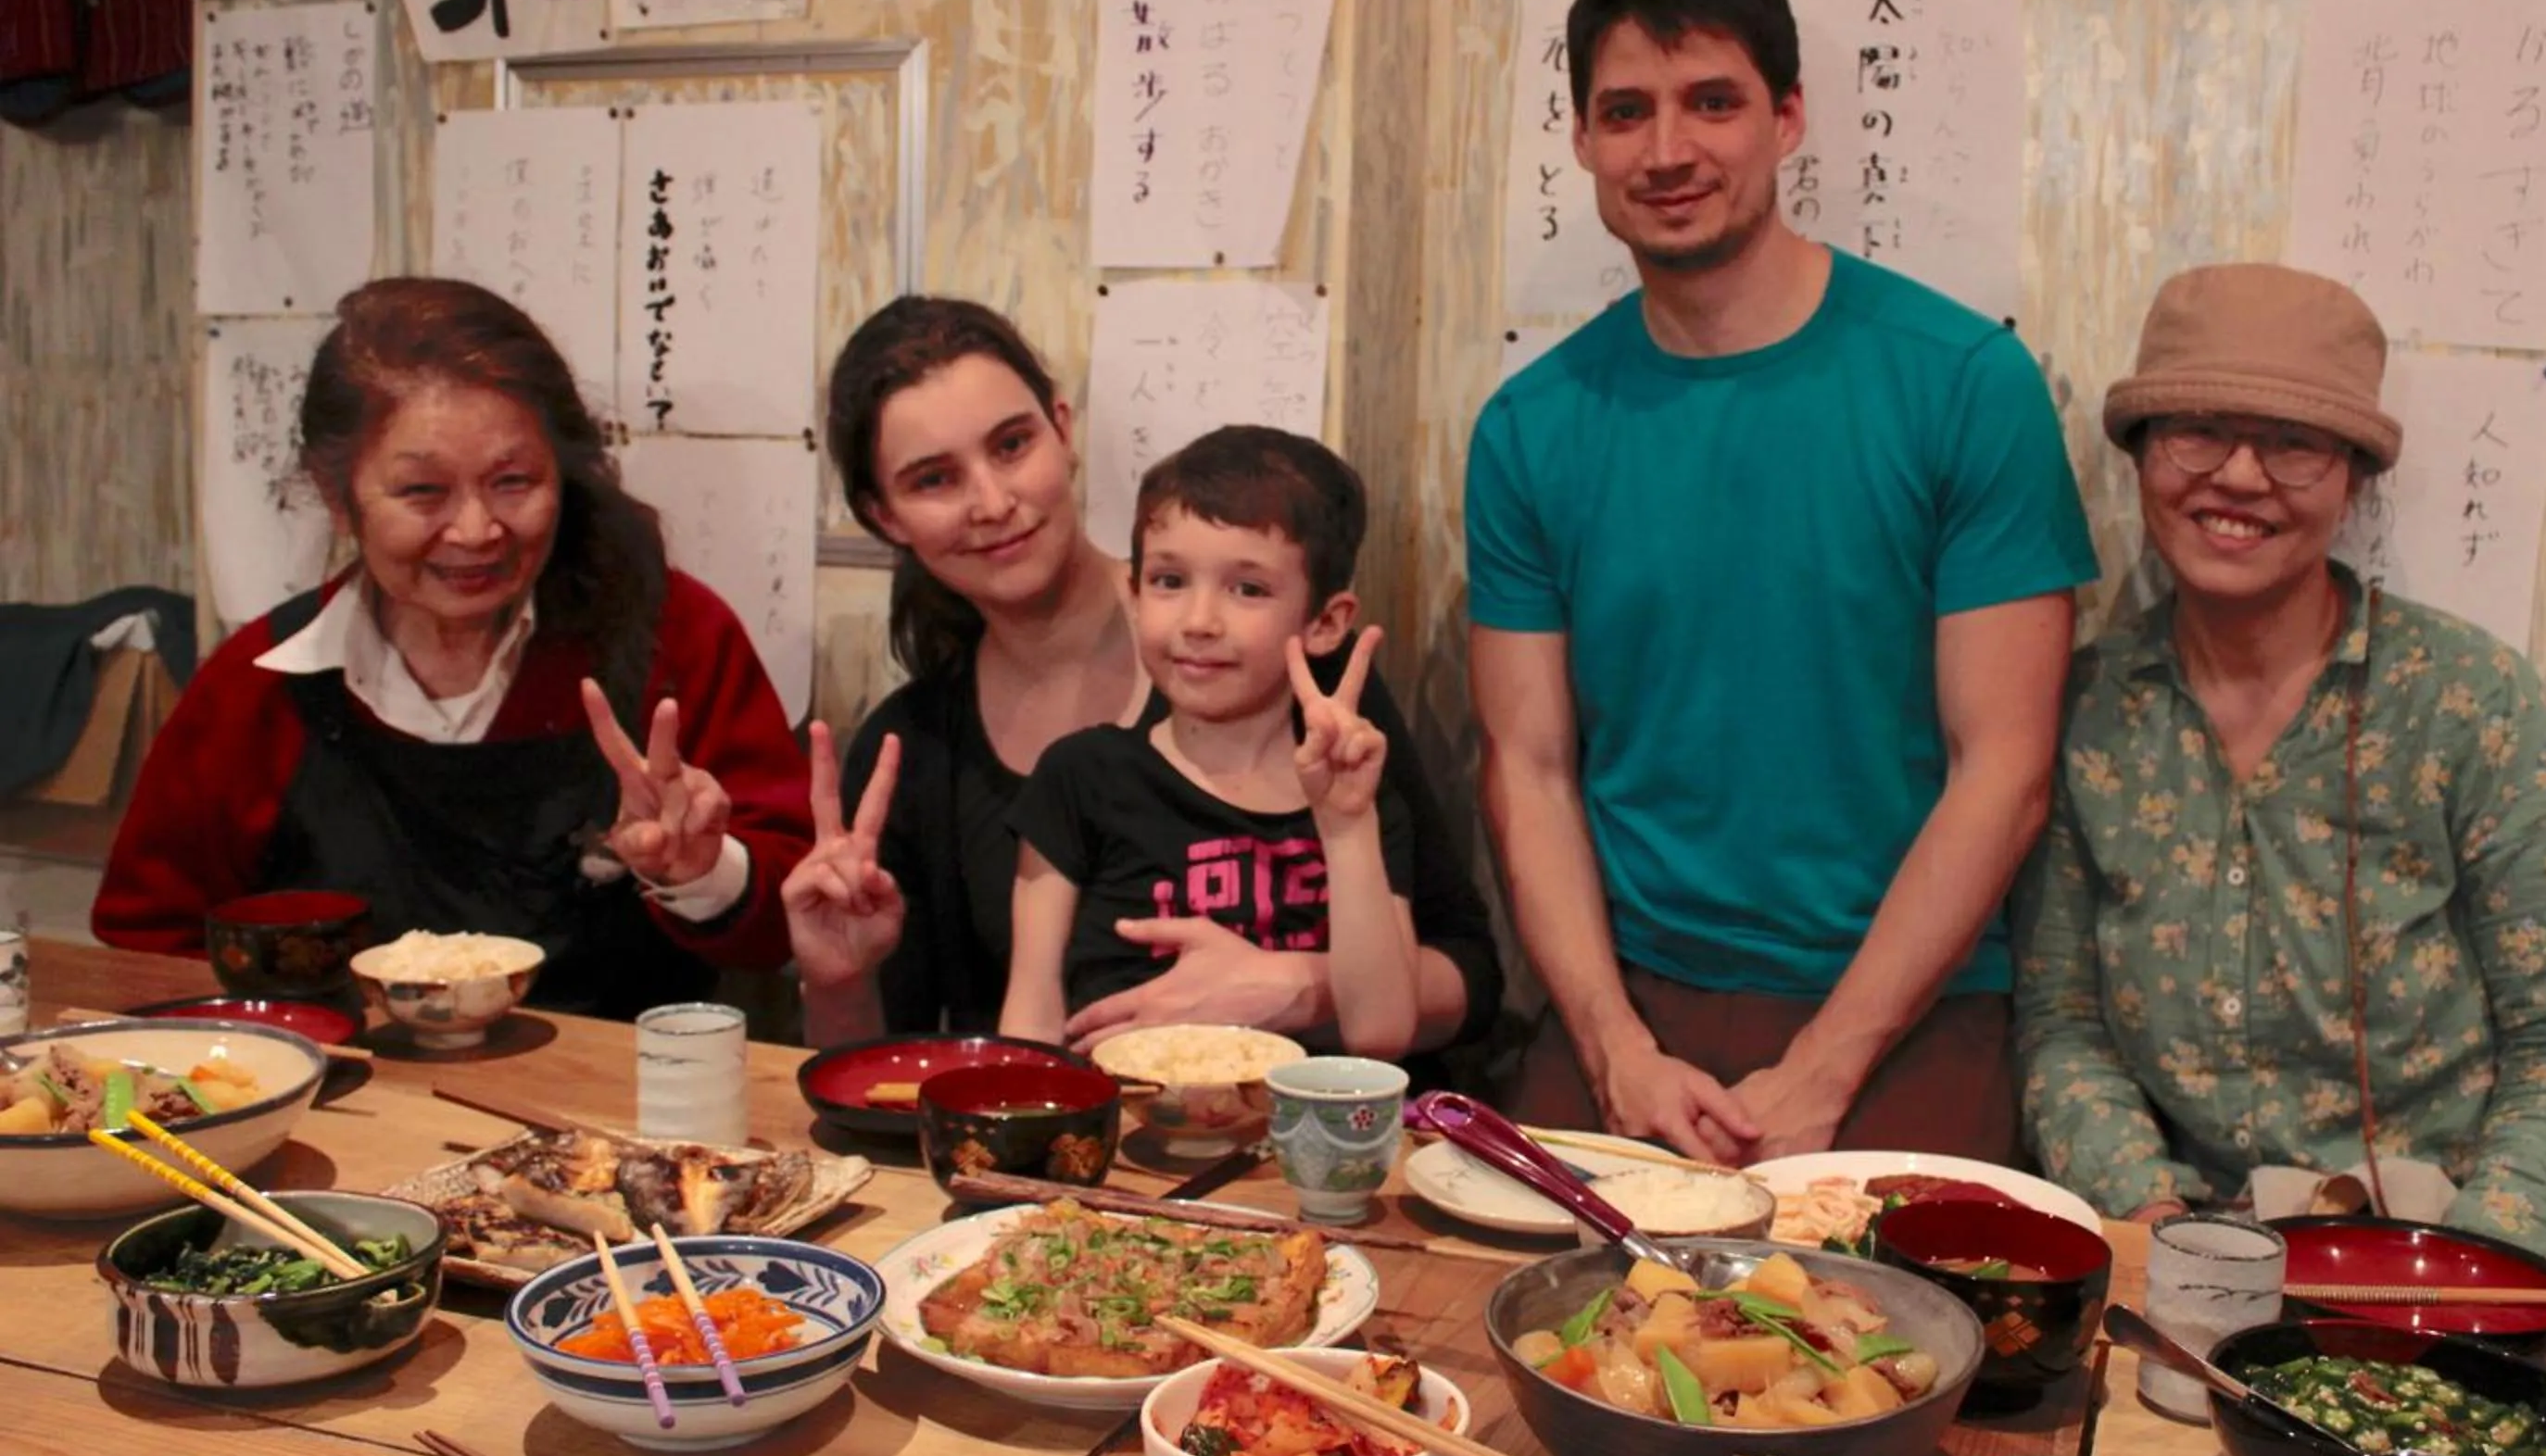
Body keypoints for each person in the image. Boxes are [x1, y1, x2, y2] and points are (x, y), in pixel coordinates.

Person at [1467, 0, 2099, 1166]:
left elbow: (2005, 767)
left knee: (1883, 1337)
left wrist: (1824, 1068)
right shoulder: (1533, 428)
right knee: (1515, 1321)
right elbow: (1528, 766)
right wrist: (1610, 1046)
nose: (1667, 151)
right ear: (1584, 140)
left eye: (1713, 102)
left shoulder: (1964, 384)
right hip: (1632, 997)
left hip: (1904, 1007)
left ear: (1788, 117)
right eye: (1625, 111)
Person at [2012, 263, 2546, 1266]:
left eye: (2295, 443)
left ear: (2353, 477)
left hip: (2446, 1256)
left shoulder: (2470, 702)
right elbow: (2063, 1024)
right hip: (2180, 1261)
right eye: (2197, 429)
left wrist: (2472, 1273)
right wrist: (2157, 1230)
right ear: (2140, 456)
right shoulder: (2083, 707)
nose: (2240, 476)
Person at [782, 296, 1503, 1061]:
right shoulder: (915, 748)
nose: (992, 503)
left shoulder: (1286, 670)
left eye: (1013, 444)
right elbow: (882, 1068)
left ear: (1062, 430)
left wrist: (1298, 985)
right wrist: (835, 978)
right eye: (933, 479)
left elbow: (1471, 973)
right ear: (884, 516)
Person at [94, 279, 813, 1018]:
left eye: (513, 482)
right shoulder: (262, 683)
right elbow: (147, 940)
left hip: (619, 1111)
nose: (476, 531)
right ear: (337, 495)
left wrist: (699, 872)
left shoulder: (673, 636)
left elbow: (790, 922)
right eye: (423, 492)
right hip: (343, 1104)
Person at [997, 428, 1423, 1060]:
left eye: (1247, 589)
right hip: (1116, 1132)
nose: (1199, 622)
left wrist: (1345, 823)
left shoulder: (1356, 794)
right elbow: (1031, 1011)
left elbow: (1382, 1031)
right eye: (1169, 580)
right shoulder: (1082, 775)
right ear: (1134, 594)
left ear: (1326, 622)